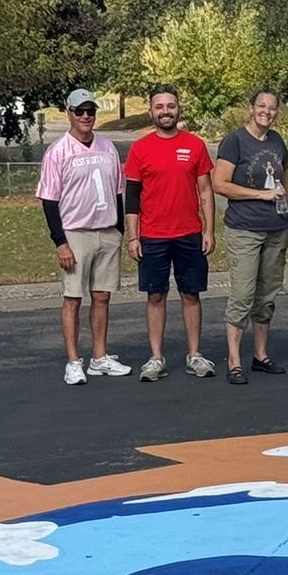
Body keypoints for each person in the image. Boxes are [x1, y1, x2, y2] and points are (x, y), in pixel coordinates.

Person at [122, 84, 216, 381]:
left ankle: (195, 355)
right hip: (153, 235)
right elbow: (132, 198)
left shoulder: (195, 145)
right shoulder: (140, 148)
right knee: (156, 295)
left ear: (179, 109)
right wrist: (134, 236)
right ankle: (156, 358)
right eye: (160, 106)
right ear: (151, 111)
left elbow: (205, 191)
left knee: (191, 294)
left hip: (189, 233)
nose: (166, 111)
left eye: (170, 106)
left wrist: (210, 230)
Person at [36, 88, 128, 386]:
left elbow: (118, 189)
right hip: (75, 233)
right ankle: (73, 361)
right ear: (69, 114)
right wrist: (60, 241)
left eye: (90, 111)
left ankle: (99, 357)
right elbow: (49, 200)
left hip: (106, 231)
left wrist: (120, 229)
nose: (86, 116)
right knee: (73, 298)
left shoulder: (107, 146)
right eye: (80, 111)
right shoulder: (58, 152)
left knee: (102, 296)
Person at [213, 87, 288, 384]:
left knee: (267, 295)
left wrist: (283, 196)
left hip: (276, 228)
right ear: (251, 108)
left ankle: (261, 355)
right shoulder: (234, 141)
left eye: (272, 107)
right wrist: (261, 195)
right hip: (244, 229)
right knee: (243, 295)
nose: (267, 112)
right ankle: (234, 360)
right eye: (261, 106)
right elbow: (220, 184)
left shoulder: (276, 140)